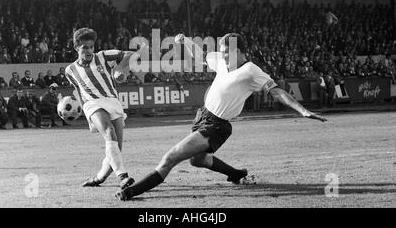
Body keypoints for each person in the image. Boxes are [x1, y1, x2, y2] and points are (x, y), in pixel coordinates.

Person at [115, 33, 326, 201]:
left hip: (216, 126)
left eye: (227, 53)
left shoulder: (251, 71)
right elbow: (201, 56)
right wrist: (187, 41)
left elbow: (276, 91)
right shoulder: (221, 61)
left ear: (240, 52)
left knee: (171, 157)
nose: (223, 56)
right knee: (197, 161)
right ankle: (236, 174)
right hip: (202, 116)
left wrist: (302, 110)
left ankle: (132, 192)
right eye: (222, 52)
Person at [65, 27, 136, 190]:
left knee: (116, 148)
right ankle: (123, 177)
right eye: (85, 47)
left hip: (112, 101)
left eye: (91, 46)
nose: (89, 50)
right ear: (76, 47)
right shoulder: (71, 70)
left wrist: (119, 68)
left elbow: (129, 54)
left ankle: (99, 178)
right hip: (93, 104)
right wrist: (87, 116)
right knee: (109, 132)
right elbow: (79, 92)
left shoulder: (103, 56)